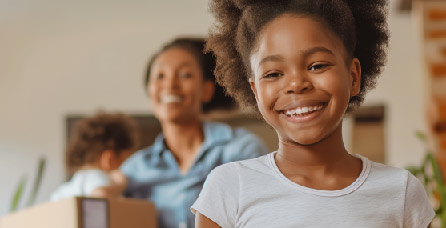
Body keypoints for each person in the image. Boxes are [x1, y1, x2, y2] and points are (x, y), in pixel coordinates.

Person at [192, 0, 435, 227]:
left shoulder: (401, 191)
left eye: (317, 66)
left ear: (353, 77)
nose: (296, 84)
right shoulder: (229, 187)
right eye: (273, 74)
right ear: (255, 91)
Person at [120, 38, 268, 228]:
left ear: (206, 91)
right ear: (150, 90)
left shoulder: (242, 150)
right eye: (160, 76)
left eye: (185, 75)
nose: (170, 84)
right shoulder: (133, 171)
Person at [50, 112, 138, 201]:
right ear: (109, 159)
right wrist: (119, 186)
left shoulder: (71, 185)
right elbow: (101, 194)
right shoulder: (97, 175)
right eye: (125, 161)